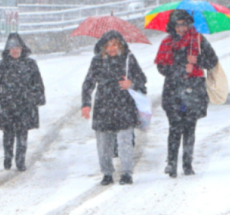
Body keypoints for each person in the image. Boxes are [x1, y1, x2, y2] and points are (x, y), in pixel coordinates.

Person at [155, 10, 218, 178]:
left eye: (184, 24)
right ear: (172, 26)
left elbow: (212, 60)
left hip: (193, 88)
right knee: (174, 127)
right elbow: (162, 68)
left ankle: (187, 163)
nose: (181, 28)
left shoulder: (198, 40)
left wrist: (197, 61)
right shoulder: (167, 43)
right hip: (173, 90)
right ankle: (171, 163)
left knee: (190, 127)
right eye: (178, 24)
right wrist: (182, 69)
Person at [81, 30, 147, 186]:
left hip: (124, 105)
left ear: (120, 45)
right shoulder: (97, 61)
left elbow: (142, 79)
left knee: (125, 142)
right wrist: (86, 104)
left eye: (115, 44)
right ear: (103, 46)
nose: (112, 48)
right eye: (108, 44)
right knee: (103, 144)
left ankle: (126, 173)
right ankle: (107, 173)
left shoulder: (128, 59)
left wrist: (131, 84)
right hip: (103, 106)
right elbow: (88, 84)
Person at [0, 33, 45, 172]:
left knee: (22, 134)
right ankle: (8, 157)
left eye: (18, 47)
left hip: (24, 105)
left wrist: (37, 97)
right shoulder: (1, 65)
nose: (15, 51)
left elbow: (37, 82)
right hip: (6, 105)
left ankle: (20, 160)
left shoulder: (30, 64)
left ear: (22, 48)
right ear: (8, 49)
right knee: (8, 135)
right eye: (12, 48)